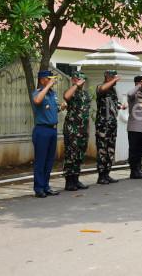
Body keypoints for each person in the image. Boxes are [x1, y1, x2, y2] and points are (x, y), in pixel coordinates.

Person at [31, 70, 62, 198]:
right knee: (41, 160)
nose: (52, 81)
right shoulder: (38, 92)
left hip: (52, 130)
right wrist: (48, 86)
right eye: (49, 79)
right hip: (42, 130)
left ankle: (46, 186)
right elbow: (37, 101)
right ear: (43, 80)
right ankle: (38, 188)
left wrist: (62, 107)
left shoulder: (52, 94)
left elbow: (54, 110)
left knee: (49, 160)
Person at [95, 70, 125, 184]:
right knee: (102, 150)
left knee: (110, 150)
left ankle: (107, 173)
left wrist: (121, 106)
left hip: (112, 125)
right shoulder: (101, 87)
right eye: (113, 77)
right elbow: (102, 90)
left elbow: (113, 104)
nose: (116, 80)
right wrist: (113, 80)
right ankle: (101, 175)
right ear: (108, 77)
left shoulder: (113, 90)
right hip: (103, 126)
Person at [63, 71, 91, 191]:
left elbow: (86, 113)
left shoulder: (85, 94)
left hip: (83, 129)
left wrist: (87, 129)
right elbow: (66, 97)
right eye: (78, 79)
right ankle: (69, 181)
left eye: (82, 80)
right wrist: (75, 85)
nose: (81, 82)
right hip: (72, 129)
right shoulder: (71, 92)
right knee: (71, 155)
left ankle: (76, 179)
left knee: (79, 155)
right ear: (73, 80)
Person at [127, 75, 142, 179]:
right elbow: (129, 93)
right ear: (138, 83)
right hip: (135, 128)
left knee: (141, 150)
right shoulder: (134, 94)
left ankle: (139, 169)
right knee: (134, 150)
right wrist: (139, 85)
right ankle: (133, 171)